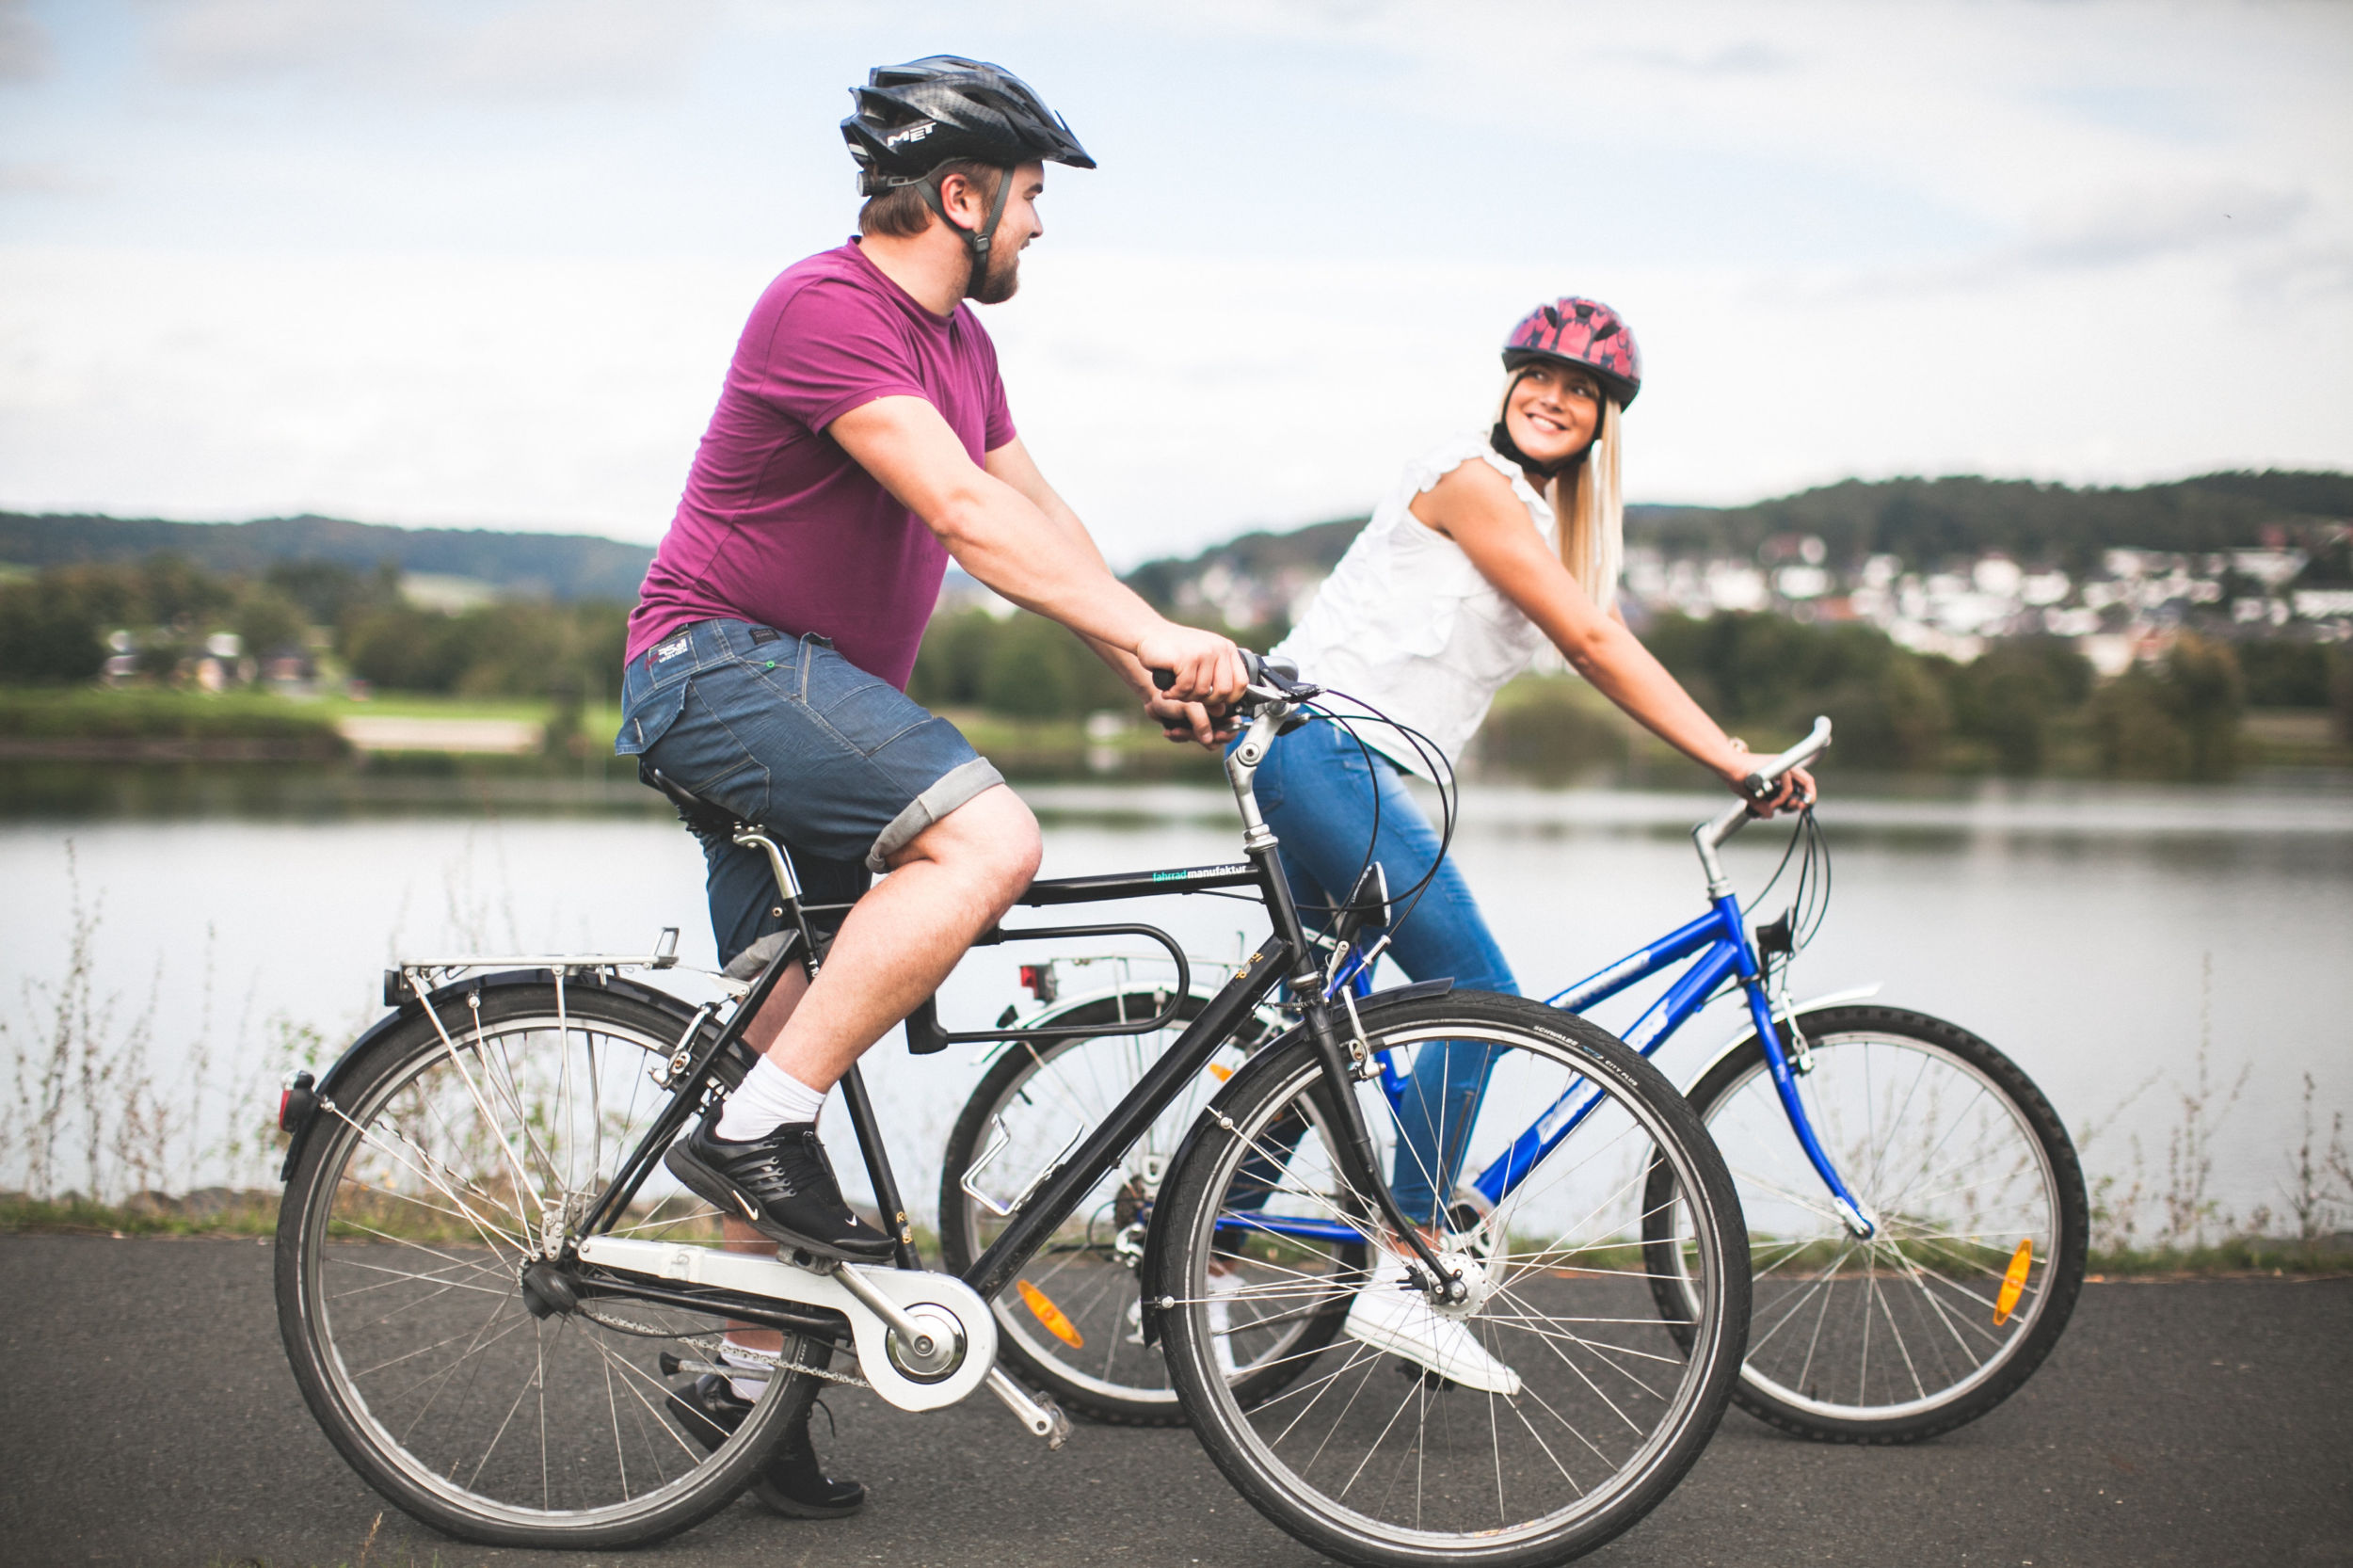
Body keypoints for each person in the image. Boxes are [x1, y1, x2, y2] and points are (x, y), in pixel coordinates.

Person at [616, 56, 1247, 1512]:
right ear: (960, 195)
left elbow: (1038, 512)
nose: (1041, 226)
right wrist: (1153, 633)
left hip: (809, 698)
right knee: (987, 840)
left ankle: (737, 1391)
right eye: (1030, 197)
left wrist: (1142, 659)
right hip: (719, 667)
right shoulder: (827, 307)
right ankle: (750, 1128)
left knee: (793, 1030)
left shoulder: (966, 347)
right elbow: (961, 512)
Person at [1245, 296, 1815, 1392]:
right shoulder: (1474, 478)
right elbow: (1595, 642)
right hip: (1325, 751)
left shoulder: (1538, 521)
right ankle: (1405, 1270)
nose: (1552, 398)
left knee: (1307, 1021)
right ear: (1506, 386)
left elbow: (1592, 639)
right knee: (1473, 991)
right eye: (1536, 378)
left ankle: (1204, 1260)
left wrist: (1735, 746)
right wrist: (1725, 762)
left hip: (1327, 753)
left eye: (1580, 391)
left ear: (1604, 421)